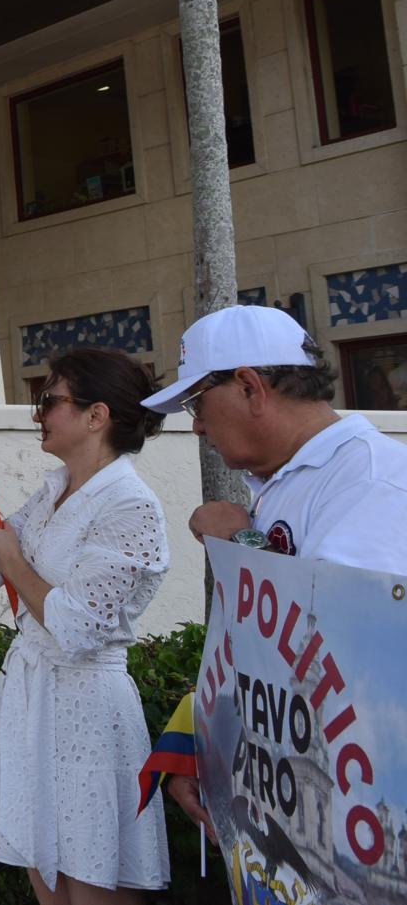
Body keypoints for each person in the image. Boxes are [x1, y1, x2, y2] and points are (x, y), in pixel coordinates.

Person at [138, 305, 407, 840]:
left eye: (196, 402)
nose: (195, 425)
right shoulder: (290, 480)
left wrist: (242, 543)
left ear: (249, 386)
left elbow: (344, 651)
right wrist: (204, 736)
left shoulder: (369, 483)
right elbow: (259, 649)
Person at [0, 347, 172, 903]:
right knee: (47, 883)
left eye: (49, 400)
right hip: (31, 700)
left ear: (97, 415)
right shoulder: (52, 492)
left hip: (88, 710)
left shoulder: (129, 505)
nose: (38, 412)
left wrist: (15, 564)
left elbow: (79, 625)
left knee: (92, 883)